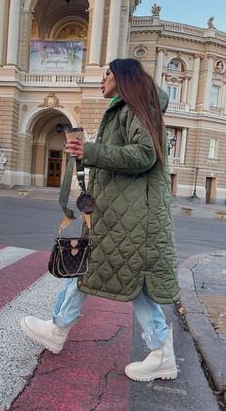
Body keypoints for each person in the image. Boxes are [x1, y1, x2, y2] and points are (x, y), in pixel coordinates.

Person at [21, 58, 179, 382]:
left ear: (123, 77)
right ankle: (60, 327)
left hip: (134, 217)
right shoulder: (128, 108)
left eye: (106, 73)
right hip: (123, 214)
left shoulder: (137, 107)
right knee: (101, 270)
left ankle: (160, 351)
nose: (102, 78)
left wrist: (90, 152)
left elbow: (143, 154)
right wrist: (88, 155)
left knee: (128, 279)